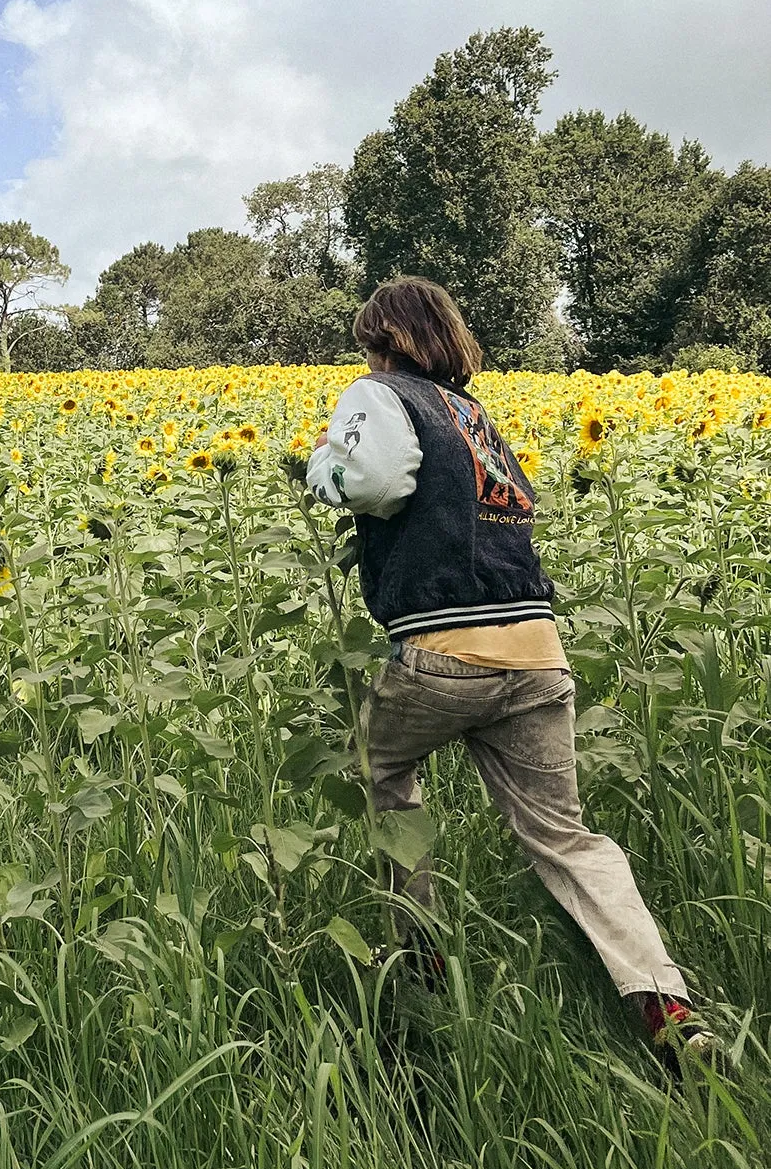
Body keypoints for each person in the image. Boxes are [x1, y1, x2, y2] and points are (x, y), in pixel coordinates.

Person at [306, 276, 716, 1068]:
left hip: (444, 652)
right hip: (535, 651)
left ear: (387, 341)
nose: (364, 355)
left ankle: (416, 961)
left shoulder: (382, 393)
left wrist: (326, 469)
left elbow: (377, 483)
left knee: (376, 776)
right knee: (566, 837)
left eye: (368, 343)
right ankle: (671, 1010)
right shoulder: (474, 418)